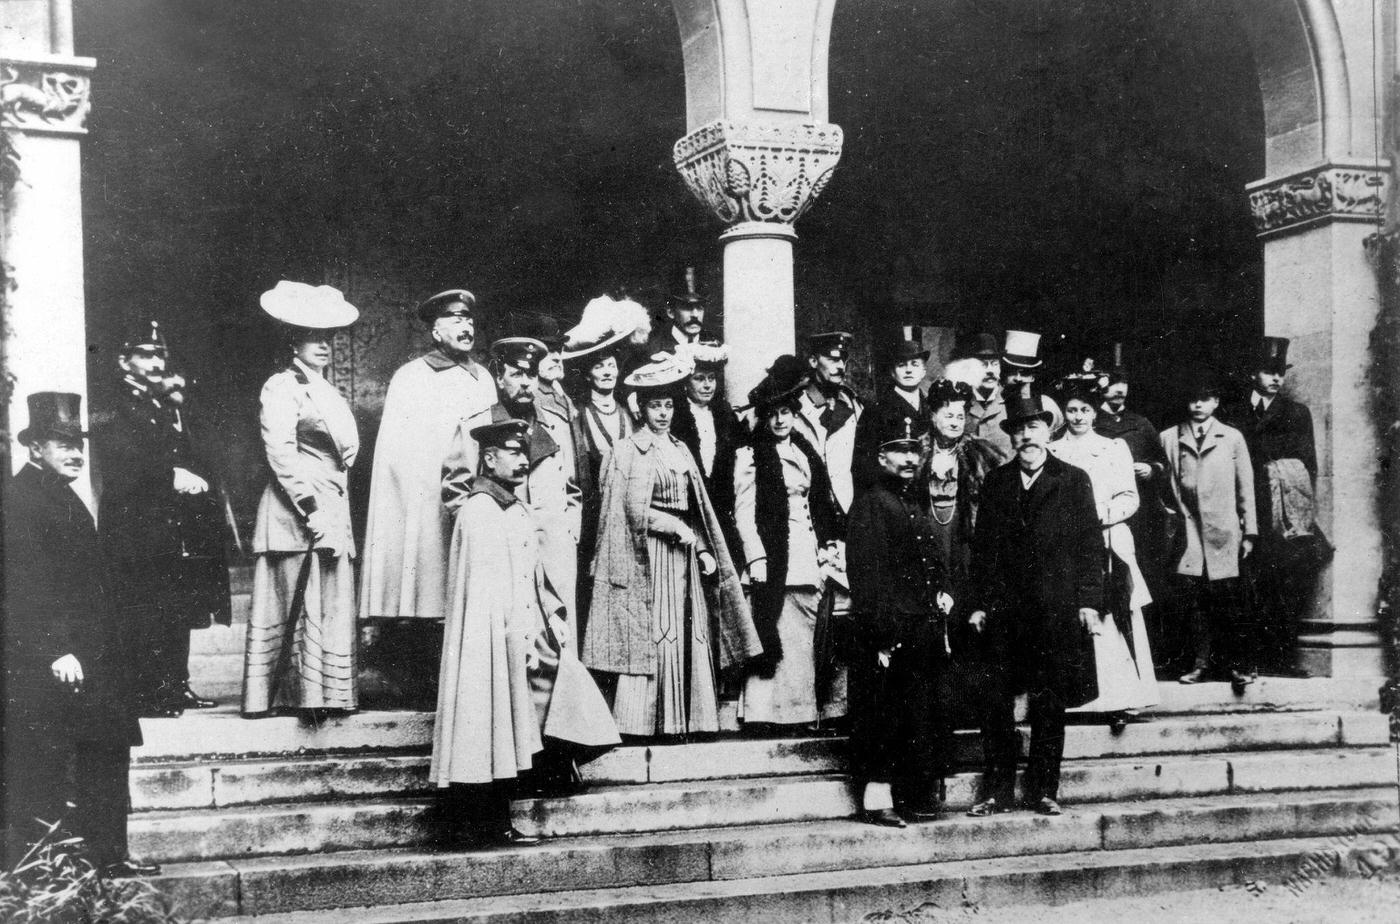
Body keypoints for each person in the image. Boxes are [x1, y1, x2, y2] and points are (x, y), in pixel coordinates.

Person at [431, 418, 619, 847]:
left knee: (514, 717)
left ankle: (515, 800)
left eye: (523, 454)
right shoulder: (480, 511)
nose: (521, 462)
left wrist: (546, 619)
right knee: (483, 724)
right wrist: (514, 633)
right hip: (488, 640)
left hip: (516, 633)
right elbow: (485, 589)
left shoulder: (513, 508)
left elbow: (531, 576)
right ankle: (479, 823)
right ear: (489, 458)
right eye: (512, 454)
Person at [3, 392, 158, 876]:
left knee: (105, 756)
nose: (75, 453)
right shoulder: (20, 500)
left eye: (78, 444)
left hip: (94, 657)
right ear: (34, 449)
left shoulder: (59, 492)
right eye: (62, 443)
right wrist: (56, 648)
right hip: (58, 661)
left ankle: (108, 860)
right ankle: (47, 870)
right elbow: (21, 583)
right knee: (47, 766)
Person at [582, 352, 762, 738]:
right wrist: (670, 526)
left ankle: (691, 719)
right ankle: (644, 723)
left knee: (691, 631)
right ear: (641, 409)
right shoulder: (626, 452)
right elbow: (623, 513)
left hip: (686, 555)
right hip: (648, 556)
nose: (662, 413)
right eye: (654, 406)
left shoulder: (681, 449)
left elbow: (698, 510)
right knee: (655, 633)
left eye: (668, 405)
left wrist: (701, 548)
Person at [965, 388, 1103, 817]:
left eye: (1034, 427)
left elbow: (1089, 547)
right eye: (1019, 429)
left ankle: (1044, 789)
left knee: (1049, 701)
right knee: (996, 702)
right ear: (1011, 436)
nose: (1026, 436)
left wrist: (1089, 601)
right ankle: (997, 790)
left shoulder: (1074, 479)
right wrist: (979, 603)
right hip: (1005, 611)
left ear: (1048, 431)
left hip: (1054, 609)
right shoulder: (997, 482)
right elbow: (983, 549)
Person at [358, 289, 497, 707]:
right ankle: (417, 680)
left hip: (475, 496)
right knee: (426, 588)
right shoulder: (413, 376)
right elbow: (398, 450)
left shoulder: (483, 377)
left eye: (468, 318)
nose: (465, 326)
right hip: (424, 499)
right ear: (435, 331)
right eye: (454, 319)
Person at [95, 320, 229, 717]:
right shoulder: (111, 403)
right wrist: (171, 475)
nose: (155, 362)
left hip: (168, 526)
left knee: (174, 606)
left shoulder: (162, 404)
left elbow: (187, 451)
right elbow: (120, 462)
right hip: (135, 526)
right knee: (144, 610)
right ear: (124, 360)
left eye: (159, 355)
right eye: (145, 354)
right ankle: (148, 693)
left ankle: (175, 685)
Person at [242, 282, 361, 717]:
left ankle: (327, 695)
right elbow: (280, 452)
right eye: (314, 336)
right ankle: (296, 697)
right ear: (293, 340)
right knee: (302, 596)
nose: (323, 344)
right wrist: (310, 509)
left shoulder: (325, 390)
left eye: (328, 336)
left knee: (328, 598)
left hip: (331, 501)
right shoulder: (282, 386)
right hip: (297, 508)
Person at [847, 415, 956, 826]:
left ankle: (913, 794)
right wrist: (882, 634)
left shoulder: (911, 500)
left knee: (917, 713)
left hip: (921, 626)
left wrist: (943, 589)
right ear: (881, 457)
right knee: (883, 716)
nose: (909, 458)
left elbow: (931, 558)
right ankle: (878, 802)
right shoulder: (872, 502)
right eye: (899, 450)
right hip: (891, 630)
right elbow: (868, 574)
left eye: (914, 450)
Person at [443, 338, 583, 643]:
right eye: (517, 374)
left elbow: (572, 489)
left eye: (531, 375)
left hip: (553, 555)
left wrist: (568, 535)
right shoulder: (477, 426)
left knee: (557, 646)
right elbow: (456, 491)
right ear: (499, 377)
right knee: (508, 643)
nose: (526, 383)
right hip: (501, 557)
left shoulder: (557, 423)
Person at [733, 357, 845, 731]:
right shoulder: (751, 456)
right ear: (765, 419)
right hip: (775, 556)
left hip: (806, 553)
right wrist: (756, 558)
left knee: (807, 638)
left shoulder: (804, 452)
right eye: (774, 415)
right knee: (779, 634)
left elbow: (818, 503)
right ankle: (772, 714)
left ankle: (803, 711)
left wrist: (827, 547)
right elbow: (744, 513)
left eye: (786, 412)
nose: (781, 420)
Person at [1051, 376, 1159, 729]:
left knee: (1114, 615)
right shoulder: (1054, 450)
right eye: (1072, 410)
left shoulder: (1113, 448)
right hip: (1069, 544)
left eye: (1085, 410)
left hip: (1108, 537)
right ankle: (1077, 699)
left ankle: (1120, 698)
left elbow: (1131, 497)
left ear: (1095, 411)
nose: (1078, 416)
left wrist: (1099, 515)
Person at [1220, 337, 1320, 677]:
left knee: (1285, 584)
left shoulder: (1296, 413)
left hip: (1282, 513)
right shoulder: (1232, 413)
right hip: (1244, 509)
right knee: (1246, 585)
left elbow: (1309, 466)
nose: (1276, 379)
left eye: (1280, 372)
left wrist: (1297, 508)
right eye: (1268, 371)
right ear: (1253, 375)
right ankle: (1246, 659)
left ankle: (1282, 659)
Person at [1162, 374, 1259, 691]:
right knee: (1195, 601)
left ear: (1216, 402)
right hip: (1189, 535)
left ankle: (1236, 666)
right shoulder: (1170, 439)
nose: (1198, 405)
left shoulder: (1232, 437)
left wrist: (1250, 533)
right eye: (1193, 399)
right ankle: (1200, 664)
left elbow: (1246, 487)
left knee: (1228, 600)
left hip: (1224, 533)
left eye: (1205, 399)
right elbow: (1165, 489)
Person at [560, 295, 651, 629]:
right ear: (588, 373)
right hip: (594, 526)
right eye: (599, 366)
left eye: (611, 364)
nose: (607, 371)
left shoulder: (632, 416)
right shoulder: (579, 418)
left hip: (629, 523)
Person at [1094, 359, 1171, 661]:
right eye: (1113, 383)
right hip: (1107, 520)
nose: (1119, 390)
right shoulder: (1091, 422)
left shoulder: (1142, 424)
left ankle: (1149, 657)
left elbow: (1163, 464)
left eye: (1123, 384)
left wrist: (1152, 470)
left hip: (1142, 519)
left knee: (1143, 586)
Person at [921, 378, 1000, 605]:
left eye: (960, 417)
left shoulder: (980, 454)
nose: (955, 423)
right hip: (929, 532)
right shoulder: (916, 454)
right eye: (948, 416)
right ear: (933, 416)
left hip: (963, 536)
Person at [670, 340, 746, 559]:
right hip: (688, 514)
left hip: (721, 513)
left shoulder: (725, 415)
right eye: (699, 379)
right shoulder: (677, 417)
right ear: (686, 382)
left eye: (711, 378)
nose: (707, 385)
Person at [792, 331, 864, 515]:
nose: (840, 366)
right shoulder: (797, 405)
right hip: (811, 509)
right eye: (833, 360)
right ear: (813, 362)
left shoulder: (853, 404)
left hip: (848, 507)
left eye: (843, 360)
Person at [853, 338, 931, 492]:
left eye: (915, 364)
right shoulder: (877, 411)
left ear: (923, 371)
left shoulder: (931, 407)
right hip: (891, 495)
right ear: (892, 372)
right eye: (902, 365)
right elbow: (864, 465)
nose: (908, 370)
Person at [949, 331, 1011, 461]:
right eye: (983, 364)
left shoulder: (1011, 402)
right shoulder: (958, 404)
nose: (990, 370)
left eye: (994, 364)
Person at [999, 329, 1064, 434]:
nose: (1018, 378)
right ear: (1003, 375)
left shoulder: (1047, 405)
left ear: (1033, 377)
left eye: (1024, 373)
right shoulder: (994, 406)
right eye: (1012, 372)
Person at [644, 266, 711, 356]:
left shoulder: (716, 346)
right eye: (687, 307)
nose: (695, 314)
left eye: (699, 307)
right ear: (670, 312)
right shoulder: (653, 350)